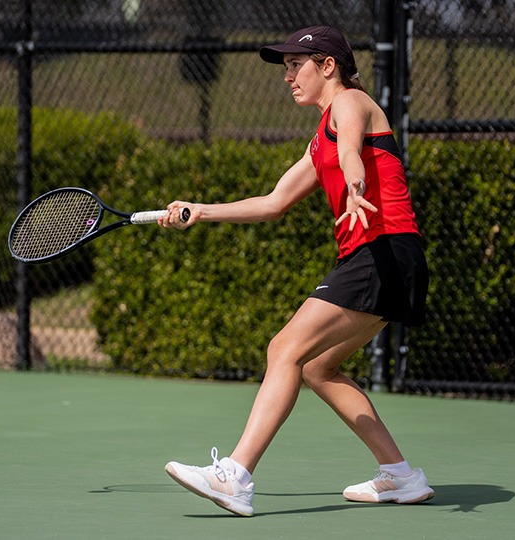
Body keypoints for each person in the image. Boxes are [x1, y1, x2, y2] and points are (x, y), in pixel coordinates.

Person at [158, 25, 433, 517]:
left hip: (381, 249)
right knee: (316, 367)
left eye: (294, 66)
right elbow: (274, 202)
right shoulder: (319, 137)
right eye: (285, 67)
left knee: (283, 349)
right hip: (389, 258)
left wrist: (354, 182)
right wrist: (202, 210)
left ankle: (235, 476)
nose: (287, 77)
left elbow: (352, 150)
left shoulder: (349, 103)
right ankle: (401, 476)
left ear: (328, 66)